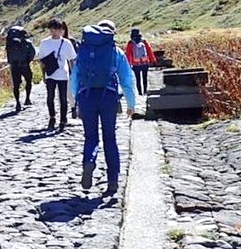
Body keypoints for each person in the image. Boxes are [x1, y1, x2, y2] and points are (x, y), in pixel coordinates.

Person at [72, 23, 136, 197]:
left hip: (86, 96)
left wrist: (75, 102)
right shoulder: (116, 52)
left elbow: (75, 77)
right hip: (108, 97)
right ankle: (113, 180)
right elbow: (127, 79)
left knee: (91, 137)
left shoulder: (84, 50)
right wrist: (131, 104)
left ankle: (89, 161)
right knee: (110, 138)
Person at [34, 18, 77, 132]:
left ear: (61, 30)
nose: (55, 32)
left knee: (63, 98)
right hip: (50, 74)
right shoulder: (45, 43)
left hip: (63, 74)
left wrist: (74, 74)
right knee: (50, 98)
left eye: (57, 30)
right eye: (52, 30)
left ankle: (63, 119)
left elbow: (72, 58)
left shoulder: (66, 43)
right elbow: (42, 61)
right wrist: (43, 75)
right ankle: (52, 117)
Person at [4, 26, 36, 112]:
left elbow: (8, 55)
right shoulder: (27, 43)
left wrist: (11, 62)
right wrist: (28, 61)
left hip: (14, 66)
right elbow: (32, 54)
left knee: (16, 85)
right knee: (28, 81)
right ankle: (27, 99)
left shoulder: (9, 43)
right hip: (25, 65)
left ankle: (18, 102)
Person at [125, 28, 157, 97]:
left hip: (136, 64)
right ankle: (145, 91)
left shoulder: (130, 43)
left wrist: (128, 64)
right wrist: (153, 60)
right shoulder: (144, 41)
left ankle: (140, 92)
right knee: (145, 77)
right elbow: (149, 51)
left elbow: (128, 54)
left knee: (137, 79)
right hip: (145, 62)